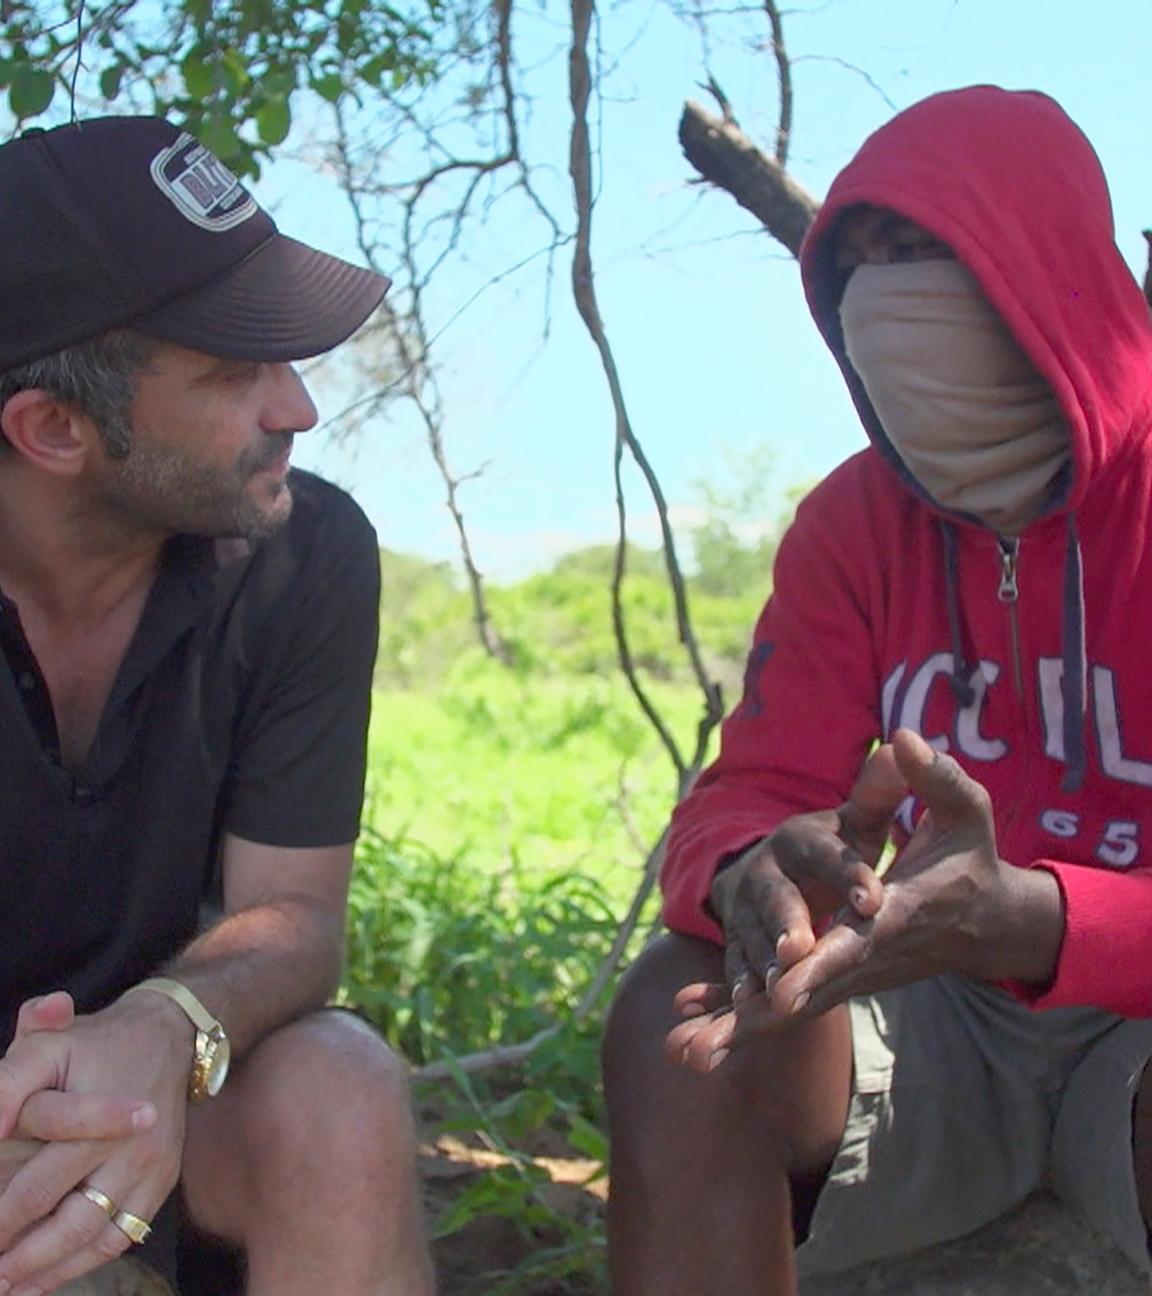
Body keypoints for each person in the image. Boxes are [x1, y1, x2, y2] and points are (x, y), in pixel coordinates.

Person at [603, 85, 1152, 1294]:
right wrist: (757, 866)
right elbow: (740, 796)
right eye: (859, 267)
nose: (887, 299)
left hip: (1136, 1027)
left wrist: (1052, 921)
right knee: (671, 1010)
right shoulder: (854, 524)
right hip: (928, 1018)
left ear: (1047, 267)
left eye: (924, 252)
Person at [0, 117, 435, 1295]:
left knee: (339, 1087)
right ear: (54, 430)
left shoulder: (307, 552)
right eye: (235, 369)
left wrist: (170, 1019)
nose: (297, 406)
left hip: (177, 1106)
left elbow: (295, 917)